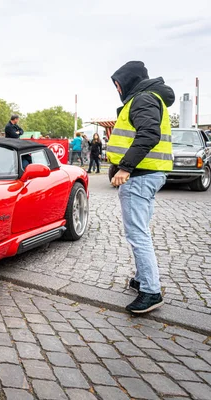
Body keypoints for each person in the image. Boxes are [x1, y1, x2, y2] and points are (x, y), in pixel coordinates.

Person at [108, 60, 174, 314]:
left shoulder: (143, 99)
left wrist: (125, 167)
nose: (116, 89)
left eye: (117, 84)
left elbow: (148, 134)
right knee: (140, 230)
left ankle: (150, 290)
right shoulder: (148, 98)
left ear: (128, 80)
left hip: (140, 176)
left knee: (137, 234)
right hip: (147, 174)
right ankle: (143, 278)